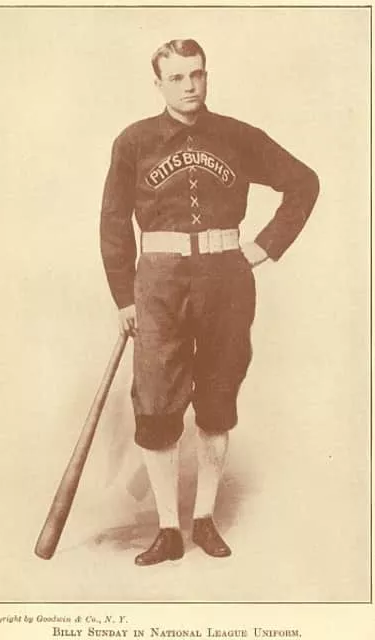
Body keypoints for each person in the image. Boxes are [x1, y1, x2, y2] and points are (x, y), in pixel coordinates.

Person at [100, 39, 319, 566]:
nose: (189, 86)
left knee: (218, 399)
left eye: (196, 74)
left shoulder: (237, 136)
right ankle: (168, 530)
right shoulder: (134, 141)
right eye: (176, 78)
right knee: (156, 404)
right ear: (158, 84)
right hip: (158, 283)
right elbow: (113, 222)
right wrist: (125, 296)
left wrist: (264, 246)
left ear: (206, 75)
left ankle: (203, 518)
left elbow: (303, 183)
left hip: (226, 280)